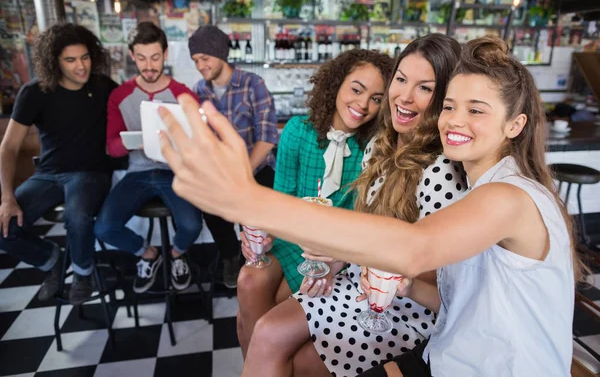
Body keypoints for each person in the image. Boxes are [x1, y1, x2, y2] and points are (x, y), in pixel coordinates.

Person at [158, 36, 585, 376]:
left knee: (289, 350)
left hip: (486, 363)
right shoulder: (475, 183)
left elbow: (416, 249)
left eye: (476, 110)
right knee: (267, 326)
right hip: (449, 354)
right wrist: (393, 278)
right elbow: (452, 294)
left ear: (515, 125)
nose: (455, 120)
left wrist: (246, 199)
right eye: (451, 106)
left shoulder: (507, 194)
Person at [243, 34, 465, 376]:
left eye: (424, 87)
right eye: (402, 80)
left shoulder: (442, 170)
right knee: (268, 331)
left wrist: (350, 256)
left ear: (444, 98)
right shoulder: (379, 143)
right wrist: (339, 259)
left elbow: (437, 274)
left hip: (403, 303)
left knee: (294, 358)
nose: (404, 96)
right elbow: (363, 225)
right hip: (359, 279)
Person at [237, 49, 394, 357]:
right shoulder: (298, 130)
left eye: (377, 98)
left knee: (264, 314)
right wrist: (263, 236)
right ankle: (260, 364)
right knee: (248, 280)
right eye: (356, 89)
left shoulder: (375, 148)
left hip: (335, 250)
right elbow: (281, 200)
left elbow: (363, 221)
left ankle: (267, 361)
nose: (363, 104)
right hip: (292, 237)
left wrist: (335, 257)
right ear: (336, 84)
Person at [0, 23, 116, 304]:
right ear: (54, 61)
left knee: (76, 216)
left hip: (91, 172)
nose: (81, 66)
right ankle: (52, 259)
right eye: (71, 60)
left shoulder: (103, 87)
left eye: (85, 57)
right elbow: (9, 146)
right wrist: (6, 198)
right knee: (4, 228)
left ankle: (82, 272)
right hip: (48, 174)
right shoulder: (35, 92)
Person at [94, 22, 203, 294]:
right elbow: (111, 148)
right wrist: (137, 140)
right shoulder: (119, 96)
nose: (149, 65)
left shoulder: (183, 94)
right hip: (138, 173)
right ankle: (149, 254)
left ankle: (177, 255)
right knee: (104, 228)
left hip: (174, 171)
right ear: (132, 55)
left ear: (165, 54)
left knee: (191, 225)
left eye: (155, 57)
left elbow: (197, 143)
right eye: (141, 58)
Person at [188, 25, 279, 288]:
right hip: (220, 170)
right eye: (196, 61)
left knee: (261, 212)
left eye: (205, 58)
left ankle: (266, 262)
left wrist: (242, 172)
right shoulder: (199, 89)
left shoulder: (253, 84)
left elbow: (267, 138)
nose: (201, 66)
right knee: (211, 208)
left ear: (221, 54)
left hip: (257, 166)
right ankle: (230, 256)